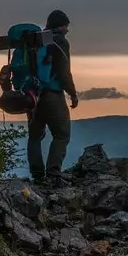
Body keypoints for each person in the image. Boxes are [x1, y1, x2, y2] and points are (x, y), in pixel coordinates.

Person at [27, 9, 79, 184]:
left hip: (33, 96)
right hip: (51, 95)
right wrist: (73, 94)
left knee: (34, 136)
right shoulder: (60, 42)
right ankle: (53, 173)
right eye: (66, 25)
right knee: (62, 134)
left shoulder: (37, 40)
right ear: (60, 25)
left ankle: (37, 175)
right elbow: (64, 72)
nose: (67, 29)